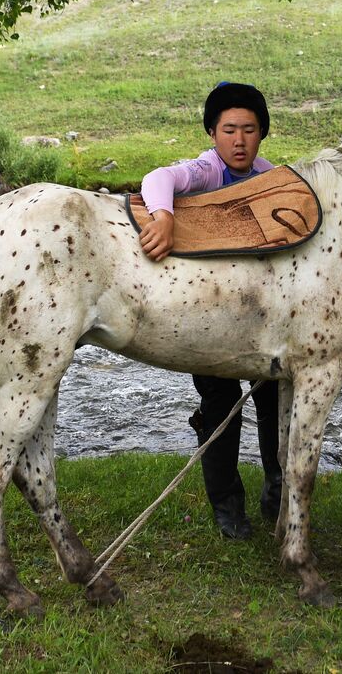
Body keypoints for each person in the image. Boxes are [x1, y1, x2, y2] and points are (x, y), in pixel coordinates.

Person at [139, 81, 282, 539]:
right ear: (213, 133)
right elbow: (159, 179)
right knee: (220, 405)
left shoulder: (270, 177)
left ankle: (277, 490)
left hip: (262, 318)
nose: (238, 141)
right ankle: (228, 506)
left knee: (274, 398)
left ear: (262, 133)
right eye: (228, 130)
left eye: (249, 129)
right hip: (214, 320)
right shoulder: (206, 171)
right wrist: (164, 216)